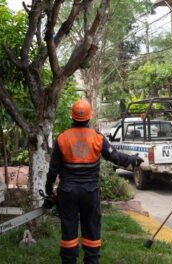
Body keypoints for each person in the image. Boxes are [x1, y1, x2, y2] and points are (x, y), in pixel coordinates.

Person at [45, 99, 143, 264]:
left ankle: (69, 261)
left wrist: (49, 190)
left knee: (69, 229)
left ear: (72, 117)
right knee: (91, 228)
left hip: (68, 192)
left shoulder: (62, 139)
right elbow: (115, 157)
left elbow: (53, 169)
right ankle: (91, 260)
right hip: (90, 192)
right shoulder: (97, 138)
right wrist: (132, 160)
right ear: (89, 118)